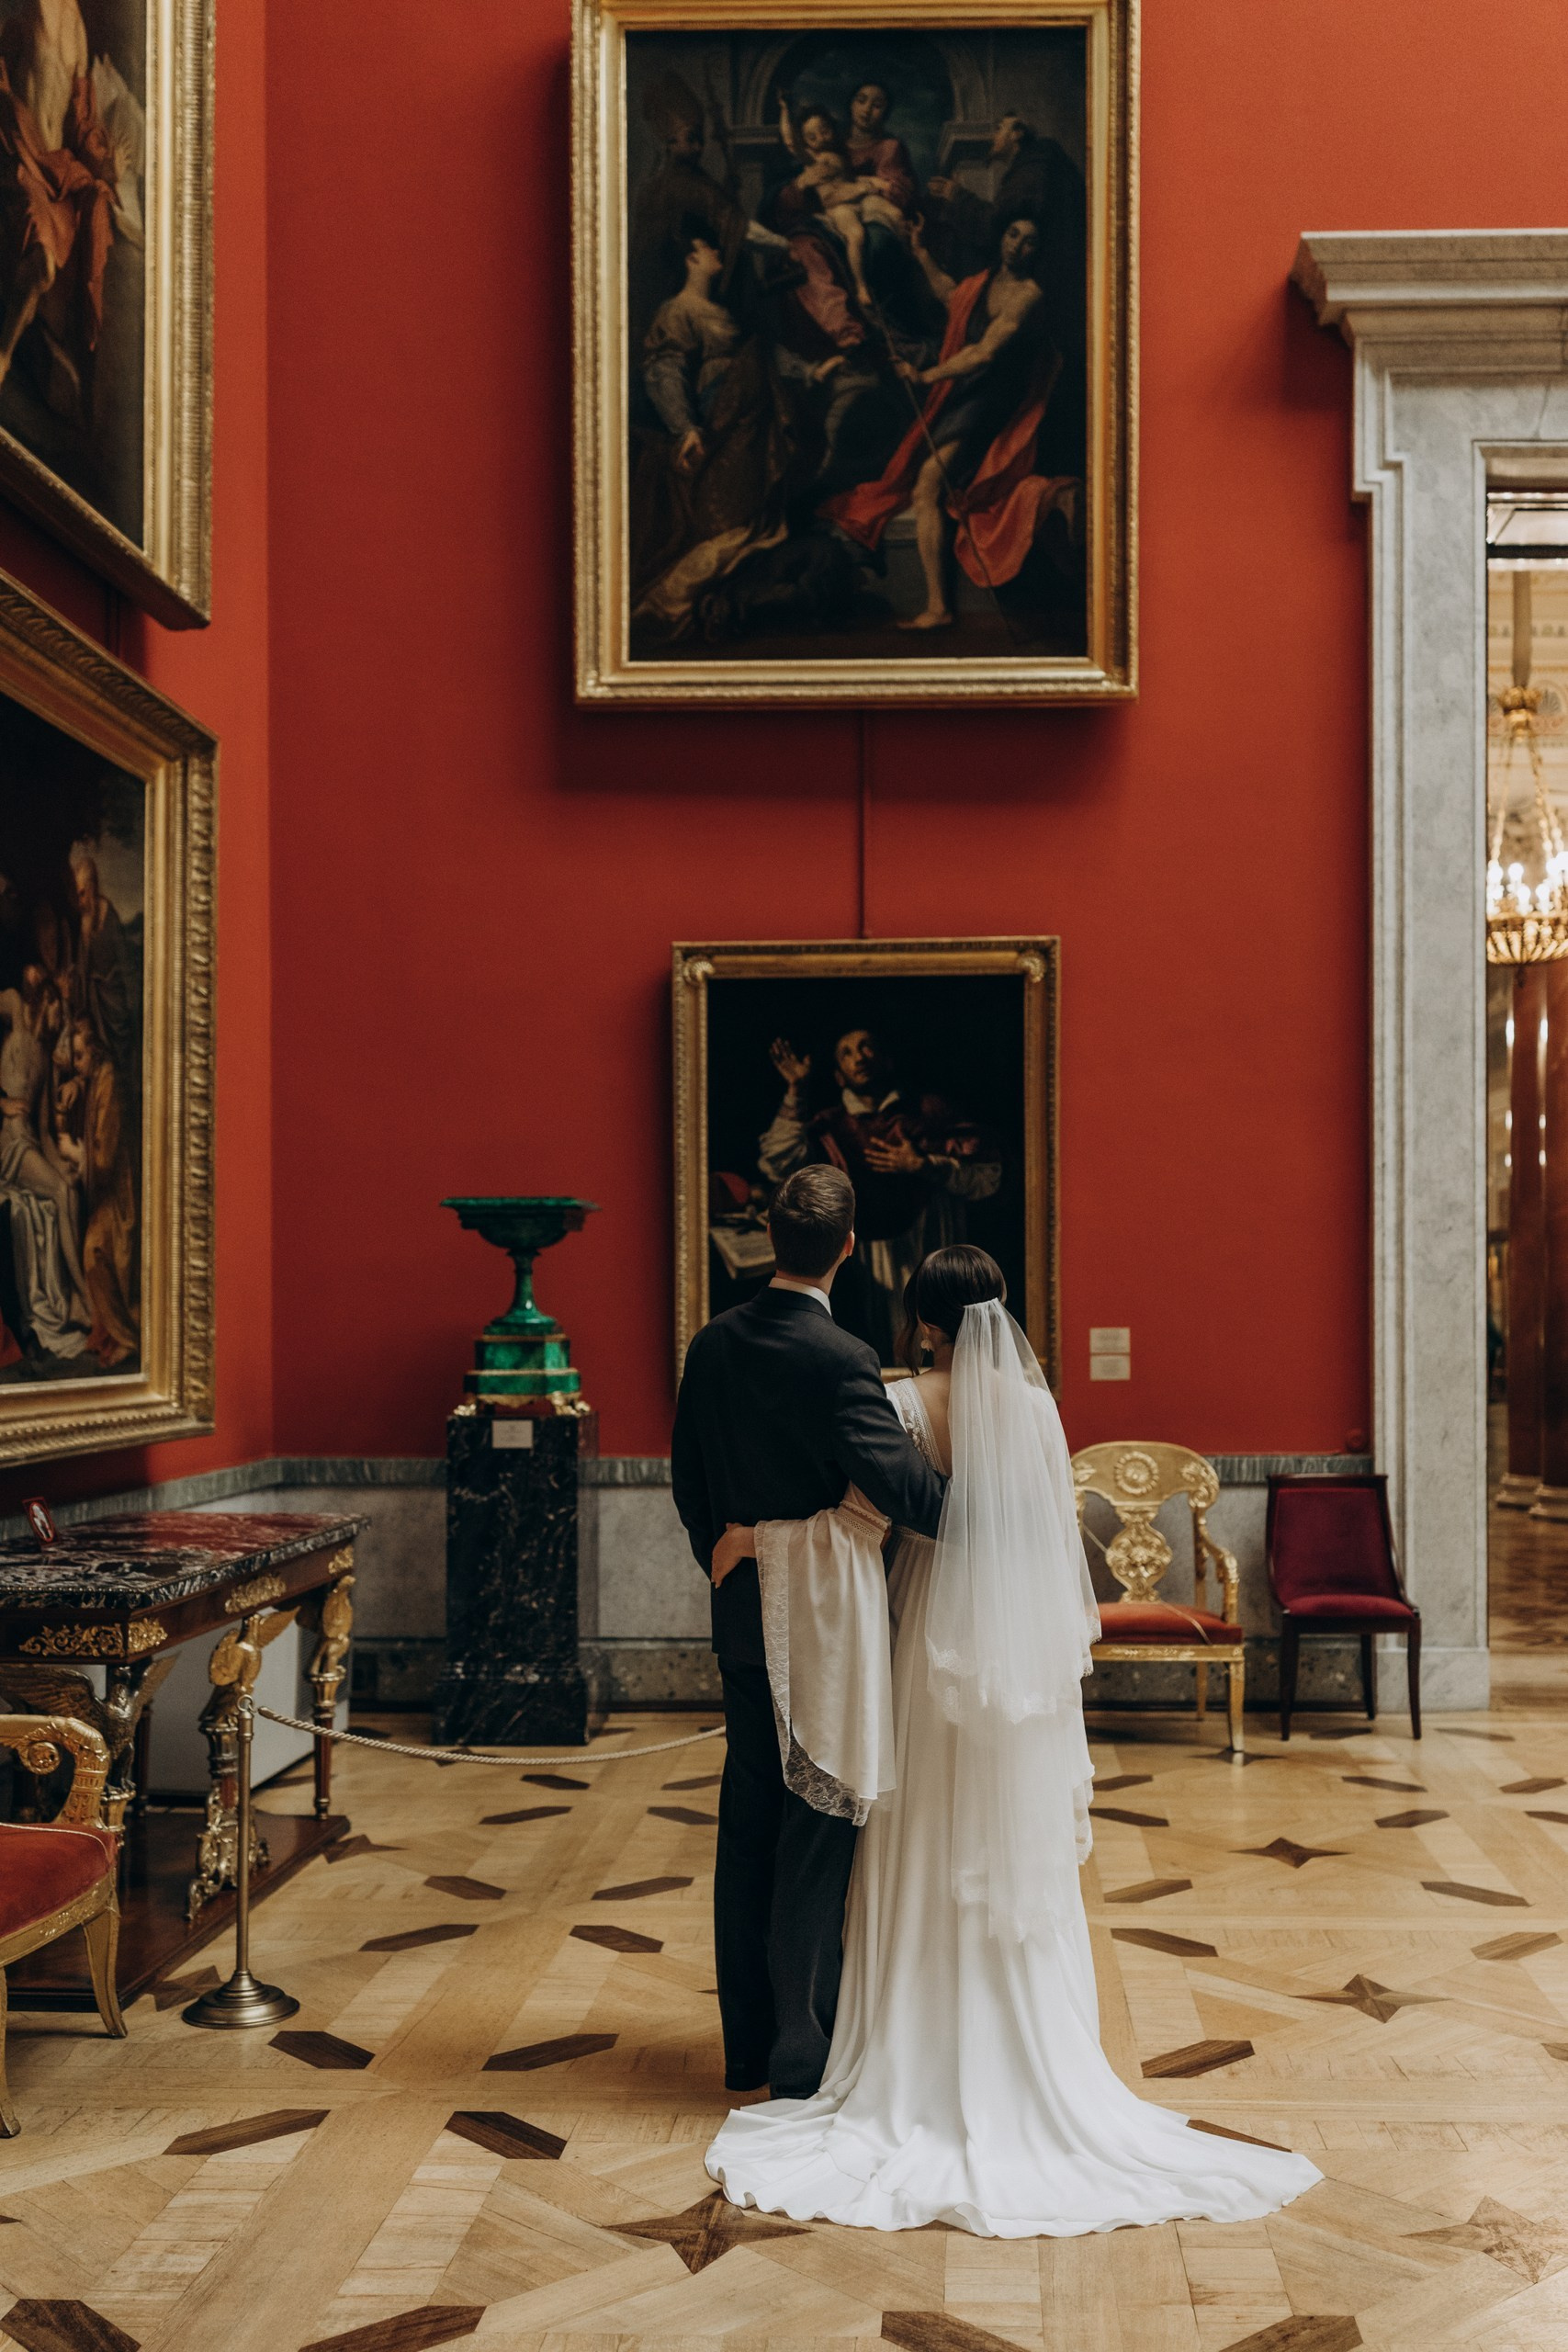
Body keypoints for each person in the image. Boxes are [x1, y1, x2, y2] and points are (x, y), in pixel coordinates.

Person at [704, 1245, 1323, 2235]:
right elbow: (1037, 1536)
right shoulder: (1036, 1412)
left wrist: (753, 1539)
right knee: (999, 1837)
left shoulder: (900, 1403)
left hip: (918, 1645)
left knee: (912, 1828)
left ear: (924, 1322)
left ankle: (902, 2033)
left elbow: (861, 1521)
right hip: (1008, 1661)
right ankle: (1025, 2041)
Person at [671, 1163, 946, 2101]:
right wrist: (993, 1512)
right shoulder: (841, 1358)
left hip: (742, 1620)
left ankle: (747, 2048)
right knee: (818, 1830)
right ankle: (801, 2052)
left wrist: (731, 1562)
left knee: (747, 1827)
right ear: (847, 1245)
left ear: (771, 1234)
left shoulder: (711, 1344)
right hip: (824, 1626)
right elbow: (904, 1491)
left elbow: (689, 1483)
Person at [822, 213, 1078, 632]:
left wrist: (926, 377)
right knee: (917, 477)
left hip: (994, 402)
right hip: (967, 392)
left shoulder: (1028, 295)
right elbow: (952, 294)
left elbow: (983, 353)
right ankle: (938, 603)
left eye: (1029, 241)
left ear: (1039, 250)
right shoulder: (985, 280)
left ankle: (939, 607)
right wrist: (921, 252)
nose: (1017, 245)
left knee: (927, 484)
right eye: (1013, 234)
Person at [758, 1026, 1000, 1361]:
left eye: (866, 1047)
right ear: (839, 1077)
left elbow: (988, 1176)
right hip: (870, 1255)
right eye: (847, 1053)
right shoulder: (831, 1125)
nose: (859, 1057)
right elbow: (776, 1163)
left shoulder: (928, 1111)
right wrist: (796, 1090)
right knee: (885, 1337)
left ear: (886, 1060)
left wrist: (924, 1165)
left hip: (933, 1238)